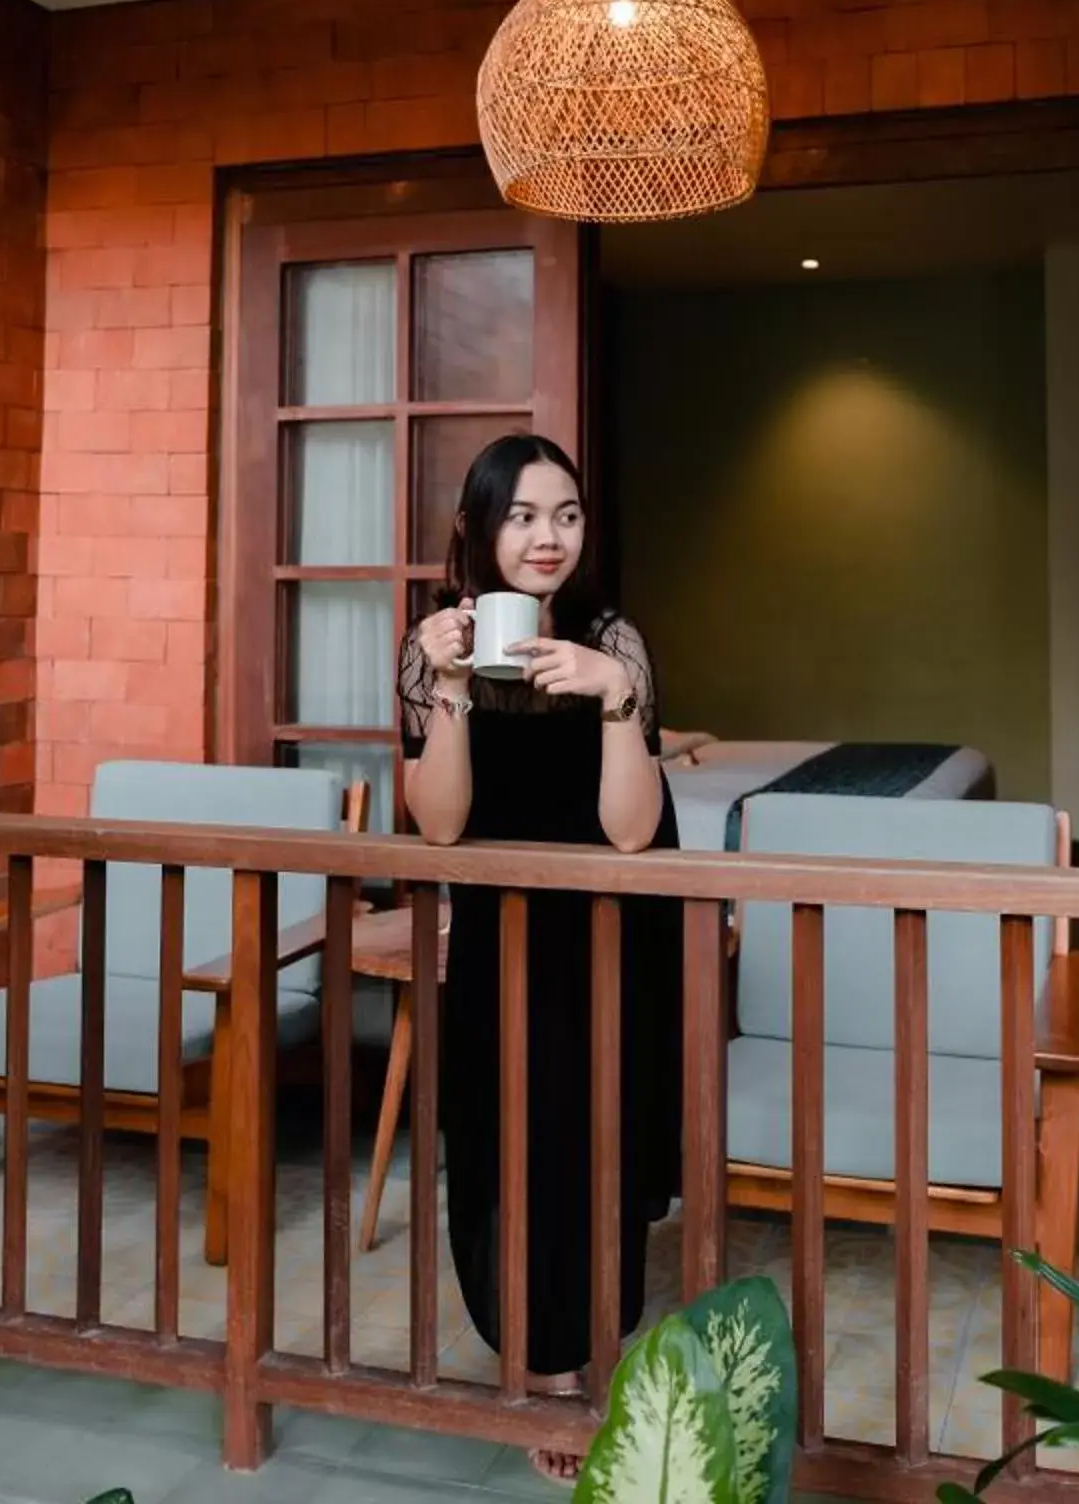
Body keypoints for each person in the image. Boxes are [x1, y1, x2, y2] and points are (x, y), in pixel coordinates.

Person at [399, 434, 684, 1481]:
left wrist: (615, 694)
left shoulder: (616, 638)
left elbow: (630, 830)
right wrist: (451, 684)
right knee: (501, 1138)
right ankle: (542, 1365)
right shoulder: (430, 643)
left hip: (611, 928)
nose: (548, 536)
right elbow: (437, 826)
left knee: (595, 1141)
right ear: (479, 528)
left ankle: (588, 1361)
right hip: (499, 930)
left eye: (565, 513)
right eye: (522, 514)